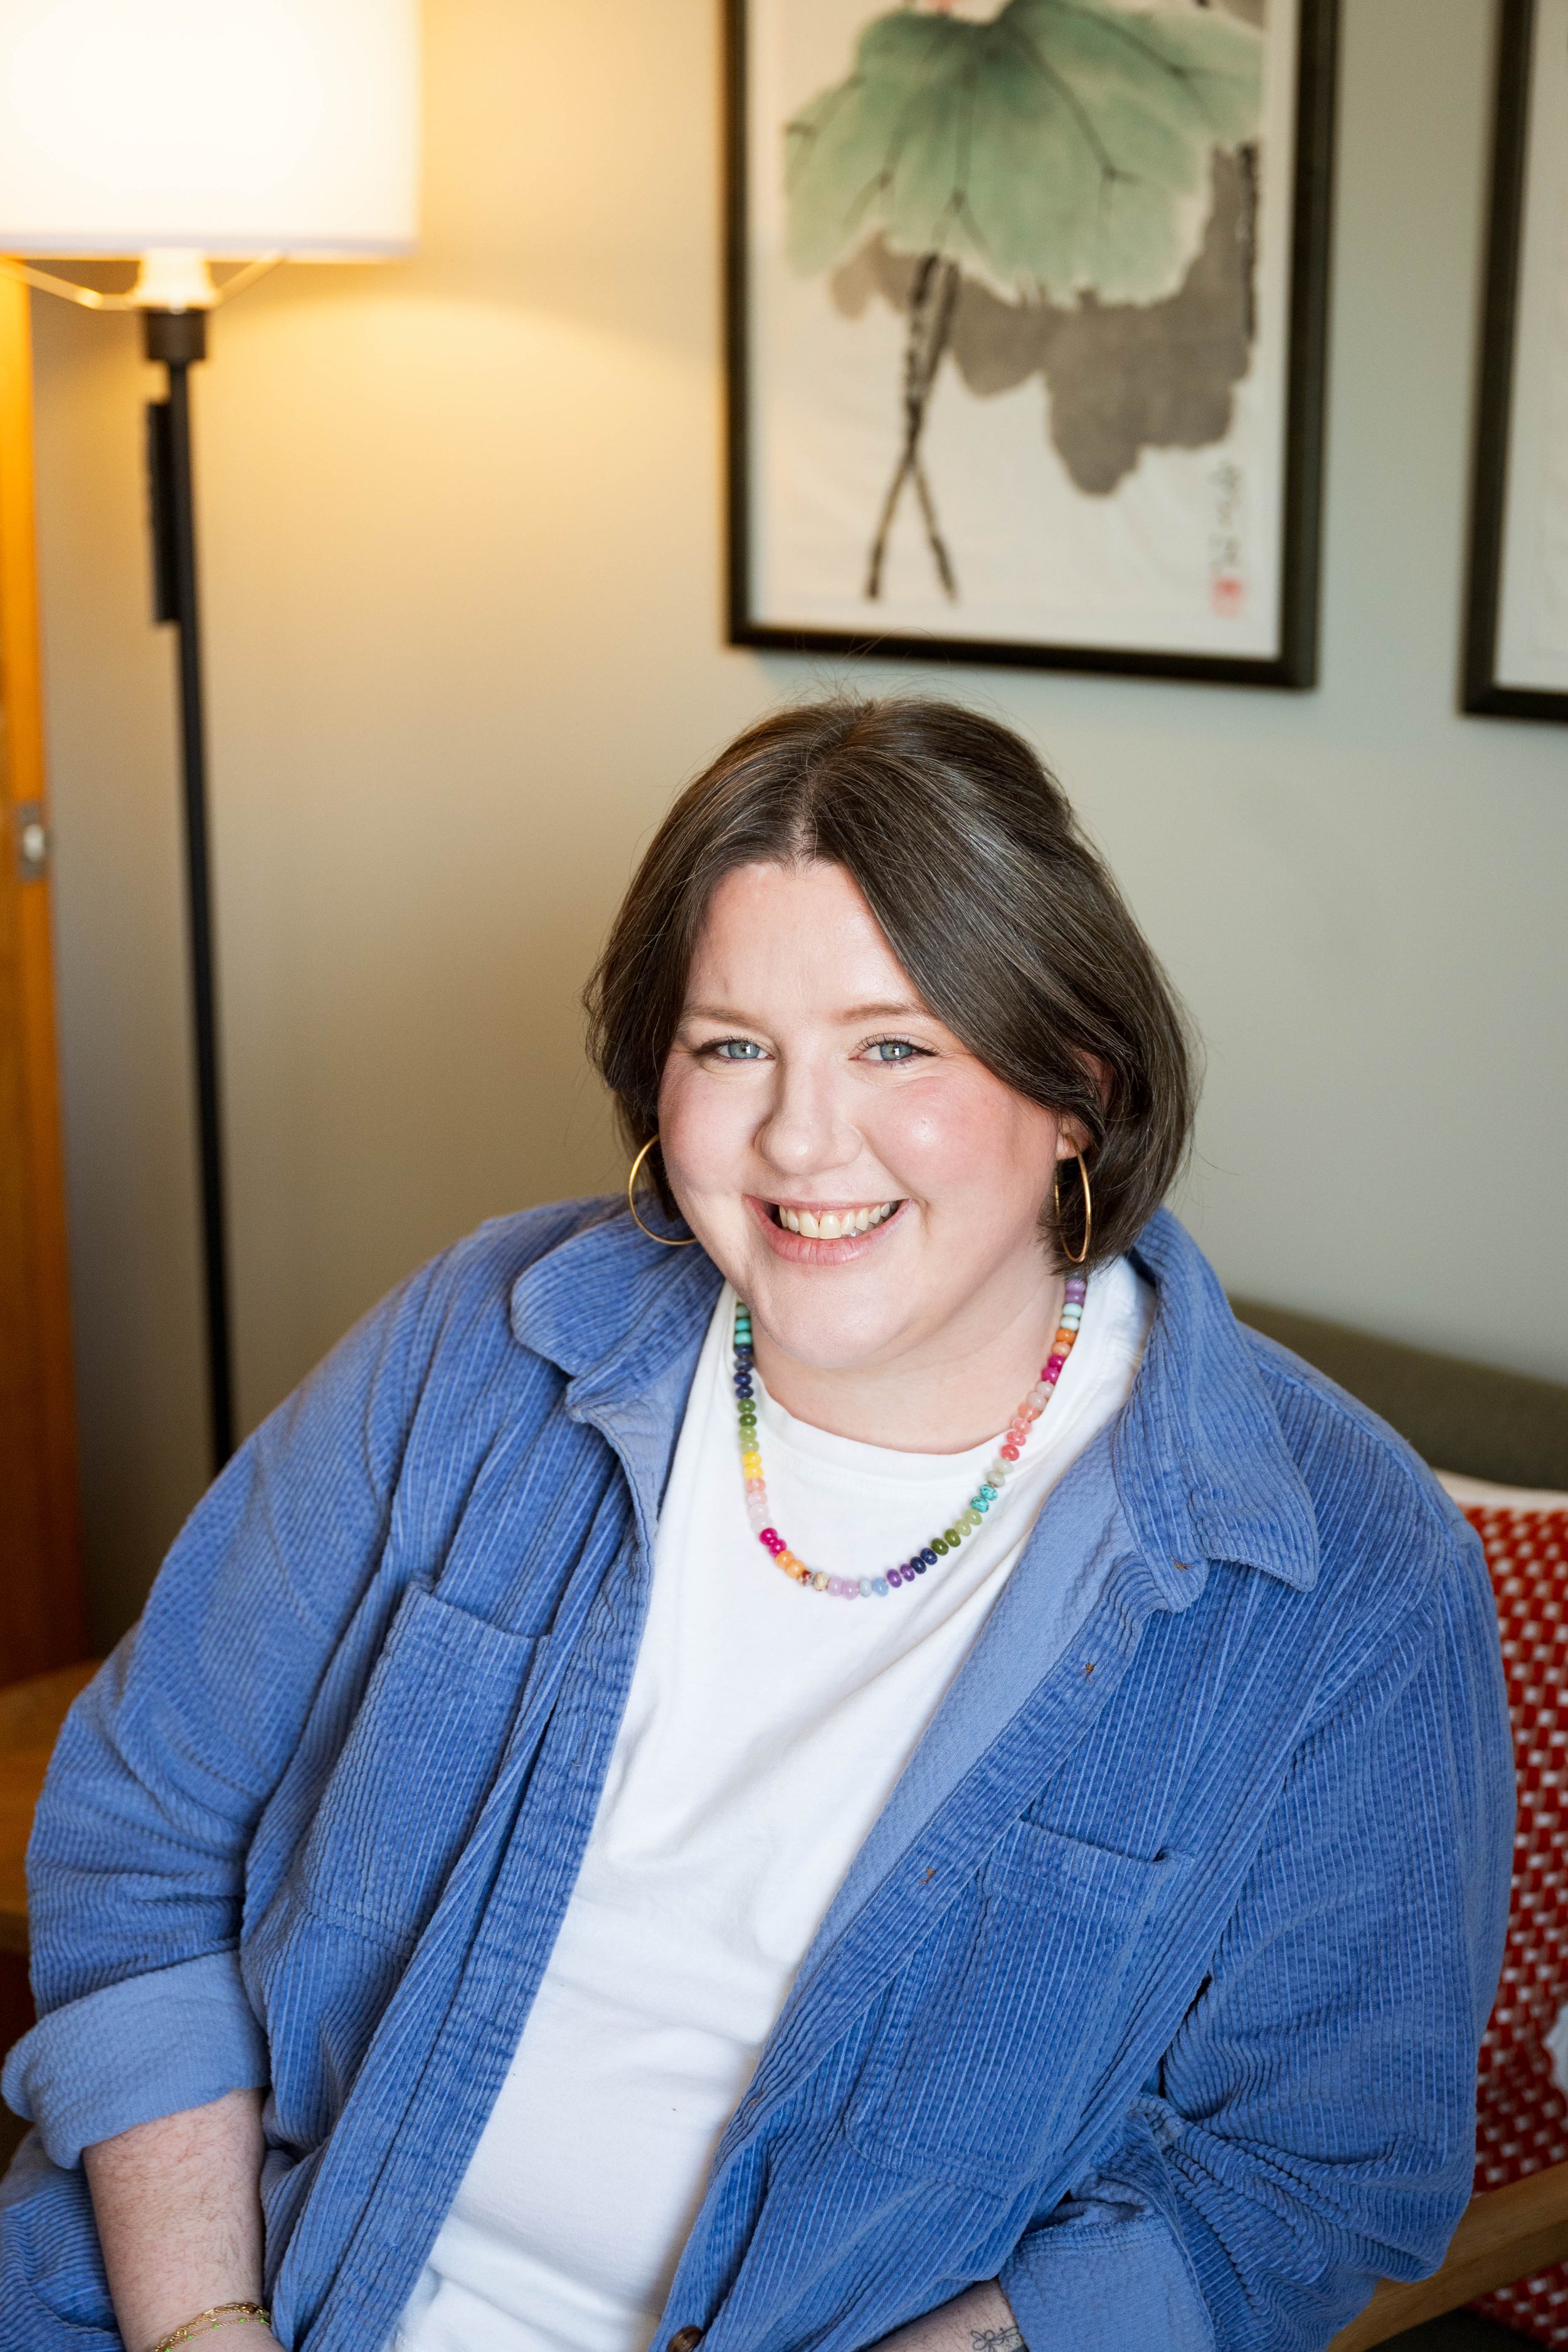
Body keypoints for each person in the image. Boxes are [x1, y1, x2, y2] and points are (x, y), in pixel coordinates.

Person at [1, 697, 1512, 2352]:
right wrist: (203, 2326)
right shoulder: (480, 1341)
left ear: (1073, 1082)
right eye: (732, 1046)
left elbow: (1299, 2183)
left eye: (892, 1046)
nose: (800, 1140)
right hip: (250, 2294)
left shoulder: (1337, 1566)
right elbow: (147, 1829)